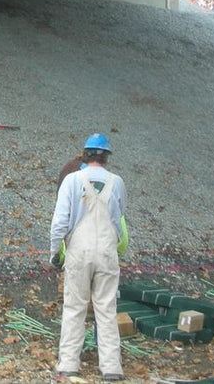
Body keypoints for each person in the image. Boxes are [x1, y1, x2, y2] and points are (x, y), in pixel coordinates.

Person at [49, 133, 129, 382]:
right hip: (107, 251)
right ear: (106, 157)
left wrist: (55, 253)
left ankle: (69, 364)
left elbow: (60, 222)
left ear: (85, 154)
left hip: (79, 251)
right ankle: (111, 368)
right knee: (106, 309)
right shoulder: (117, 182)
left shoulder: (72, 181)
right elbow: (119, 218)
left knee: (74, 307)